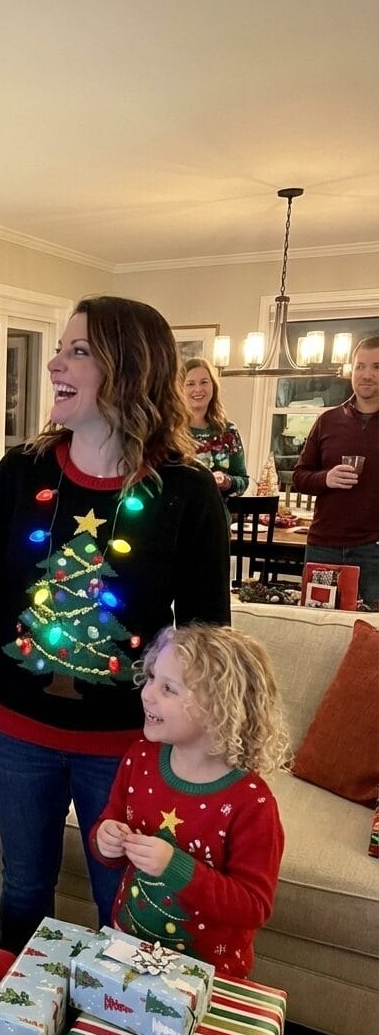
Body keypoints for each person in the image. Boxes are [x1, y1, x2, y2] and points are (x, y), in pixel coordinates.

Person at [0, 296, 231, 954]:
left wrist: (193, 745)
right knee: (23, 887)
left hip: (128, 747)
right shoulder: (22, 472)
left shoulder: (186, 493)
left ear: (128, 370)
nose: (54, 363)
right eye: (61, 348)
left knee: (122, 899)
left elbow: (206, 639)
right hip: (18, 733)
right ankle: (25, 1027)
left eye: (78, 351)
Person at [90, 622, 287, 979]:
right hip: (130, 952)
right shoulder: (141, 758)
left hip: (207, 976)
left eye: (168, 688)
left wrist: (176, 868)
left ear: (219, 708)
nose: (147, 694)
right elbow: (110, 824)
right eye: (150, 678)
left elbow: (253, 906)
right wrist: (106, 839)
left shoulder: (252, 802)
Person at [292, 335, 379, 608]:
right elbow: (299, 477)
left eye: (377, 366)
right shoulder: (327, 421)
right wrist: (325, 478)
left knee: (371, 636)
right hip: (322, 547)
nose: (367, 374)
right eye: (360, 366)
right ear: (351, 371)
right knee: (315, 629)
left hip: (373, 550)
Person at [183, 357, 249, 497]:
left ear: (213, 386)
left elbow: (243, 481)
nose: (198, 389)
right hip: (177, 514)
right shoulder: (170, 432)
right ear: (179, 389)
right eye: (190, 384)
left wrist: (228, 481)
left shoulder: (228, 431)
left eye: (204, 382)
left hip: (216, 514)